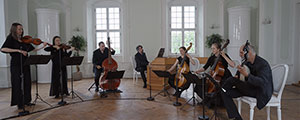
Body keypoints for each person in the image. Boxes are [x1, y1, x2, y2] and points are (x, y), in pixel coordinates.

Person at [1, 23, 47, 109]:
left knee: (27, 82)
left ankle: (27, 101)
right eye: (19, 29)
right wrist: (18, 51)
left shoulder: (24, 40)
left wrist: (42, 46)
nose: (21, 31)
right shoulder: (11, 38)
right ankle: (19, 103)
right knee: (18, 83)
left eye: (22, 29)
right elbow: (3, 49)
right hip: (16, 64)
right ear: (14, 30)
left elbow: (33, 49)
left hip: (26, 63)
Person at [221, 44, 273, 120]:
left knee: (231, 81)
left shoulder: (263, 64)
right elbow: (240, 77)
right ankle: (236, 118)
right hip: (250, 87)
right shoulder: (246, 62)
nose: (240, 55)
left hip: (260, 92)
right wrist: (238, 73)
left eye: (241, 53)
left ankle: (221, 89)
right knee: (225, 93)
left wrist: (247, 75)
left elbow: (262, 82)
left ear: (249, 52)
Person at [194, 42, 235, 106]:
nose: (212, 50)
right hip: (214, 76)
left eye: (214, 48)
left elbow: (233, 65)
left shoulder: (224, 55)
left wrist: (224, 55)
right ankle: (207, 100)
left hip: (224, 76)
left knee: (218, 87)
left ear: (219, 49)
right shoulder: (211, 58)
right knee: (199, 85)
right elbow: (205, 67)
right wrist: (197, 71)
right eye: (212, 48)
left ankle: (215, 102)